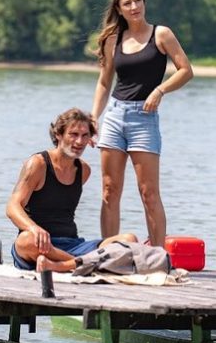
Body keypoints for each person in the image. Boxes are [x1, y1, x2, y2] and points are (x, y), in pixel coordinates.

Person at [90, 0, 193, 246]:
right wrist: (93, 117)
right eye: (128, 3)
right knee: (109, 191)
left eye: (138, 0)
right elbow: (104, 82)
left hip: (143, 119)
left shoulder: (161, 34)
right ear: (119, 8)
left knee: (148, 193)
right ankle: (109, 253)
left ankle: (157, 256)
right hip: (114, 115)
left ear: (144, 3)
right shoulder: (113, 39)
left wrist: (159, 91)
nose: (134, 6)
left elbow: (186, 70)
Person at [7, 108, 137, 270]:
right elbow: (12, 207)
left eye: (84, 136)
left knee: (129, 240)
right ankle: (86, 264)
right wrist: (33, 228)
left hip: (73, 245)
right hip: (41, 244)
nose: (79, 141)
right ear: (58, 135)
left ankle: (65, 265)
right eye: (73, 134)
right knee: (25, 241)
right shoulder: (38, 164)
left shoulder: (84, 171)